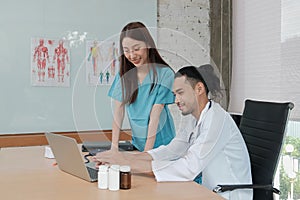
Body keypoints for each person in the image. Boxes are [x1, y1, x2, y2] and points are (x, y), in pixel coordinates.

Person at [94, 64, 253, 200]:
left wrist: (130, 164)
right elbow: (172, 150)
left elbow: (188, 168)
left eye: (180, 93)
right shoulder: (194, 119)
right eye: (174, 94)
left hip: (227, 196)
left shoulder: (216, 120)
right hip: (207, 191)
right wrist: (124, 157)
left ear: (199, 89)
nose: (176, 100)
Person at [107, 21, 176, 152]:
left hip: (163, 146)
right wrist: (113, 148)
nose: (132, 55)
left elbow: (155, 115)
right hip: (138, 144)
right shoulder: (124, 76)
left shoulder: (165, 74)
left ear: (148, 45)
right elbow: (118, 112)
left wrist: (146, 153)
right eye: (126, 51)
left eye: (136, 49)